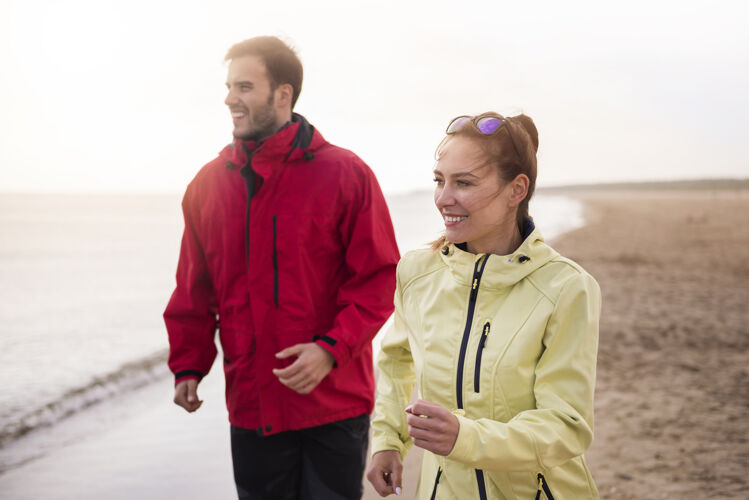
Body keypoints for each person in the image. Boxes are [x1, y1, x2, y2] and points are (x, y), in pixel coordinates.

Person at [164, 36, 400, 500]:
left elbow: (376, 282)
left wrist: (330, 350)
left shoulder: (346, 175)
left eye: (245, 86)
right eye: (230, 86)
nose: (230, 98)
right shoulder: (206, 187)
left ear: (283, 94)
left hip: (333, 403)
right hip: (252, 404)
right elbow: (193, 288)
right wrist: (189, 364)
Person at [367, 112, 601, 499]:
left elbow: (566, 426)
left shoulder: (566, 287)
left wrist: (466, 437)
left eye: (464, 183)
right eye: (439, 180)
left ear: (516, 190)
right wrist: (387, 439)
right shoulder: (416, 272)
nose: (443, 199)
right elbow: (395, 360)